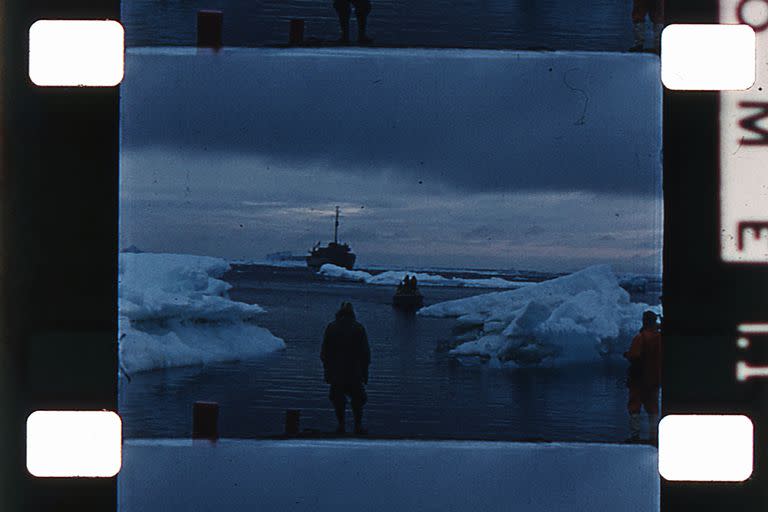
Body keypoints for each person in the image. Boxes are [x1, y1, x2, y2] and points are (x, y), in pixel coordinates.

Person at [320, 302, 371, 434]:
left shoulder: (332, 327)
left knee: (338, 400)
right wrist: (365, 373)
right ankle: (358, 426)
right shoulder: (359, 328)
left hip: (336, 372)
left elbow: (325, 352)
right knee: (358, 399)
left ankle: (341, 425)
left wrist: (327, 370)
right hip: (354, 371)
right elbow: (365, 353)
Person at [624, 310, 662, 444]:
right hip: (654, 379)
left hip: (639, 379)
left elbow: (634, 355)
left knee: (634, 406)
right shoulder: (659, 337)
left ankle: (635, 435)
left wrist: (627, 354)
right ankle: (654, 436)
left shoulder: (641, 337)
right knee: (653, 408)